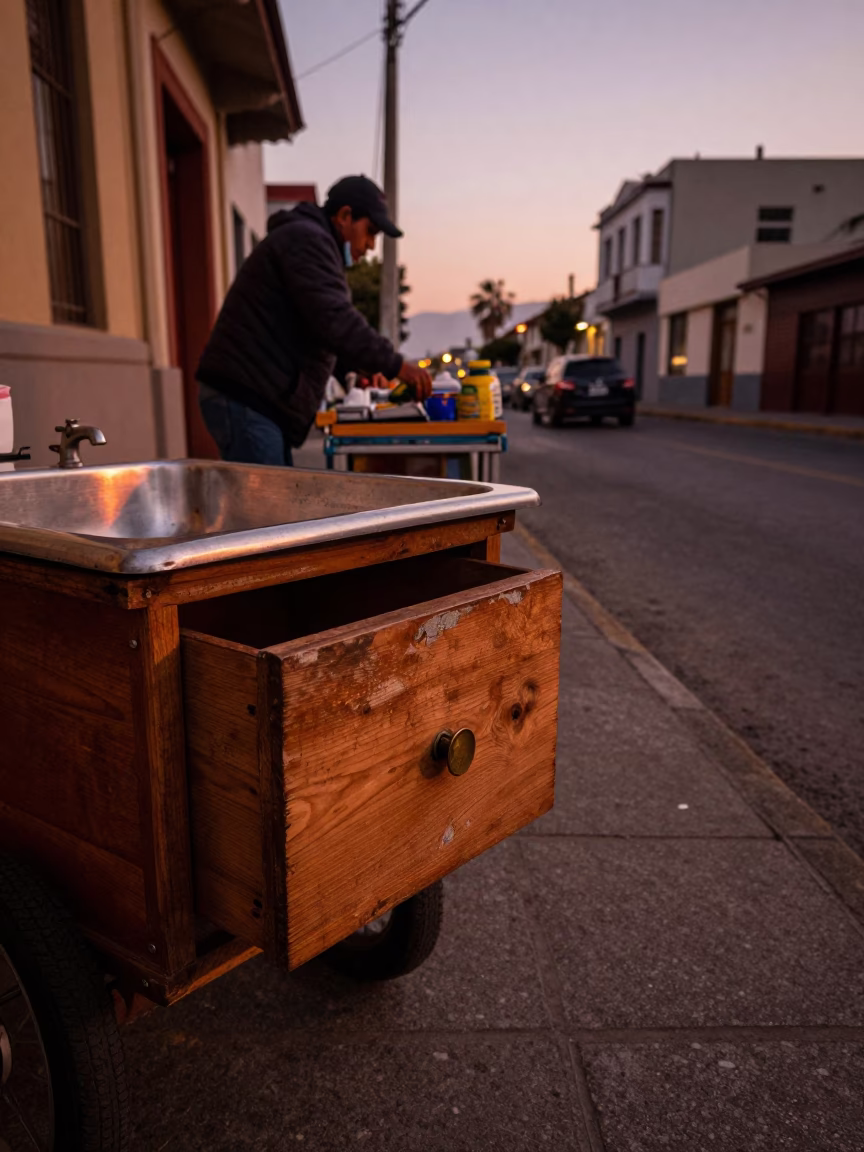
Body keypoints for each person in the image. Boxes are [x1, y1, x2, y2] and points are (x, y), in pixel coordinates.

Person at [197, 175, 432, 466]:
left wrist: (354, 372)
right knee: (268, 507)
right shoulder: (307, 240)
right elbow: (333, 319)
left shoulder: (311, 241)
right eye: (370, 231)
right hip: (247, 397)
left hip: (256, 400)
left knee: (270, 504)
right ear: (345, 216)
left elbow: (317, 328)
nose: (370, 245)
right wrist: (396, 365)